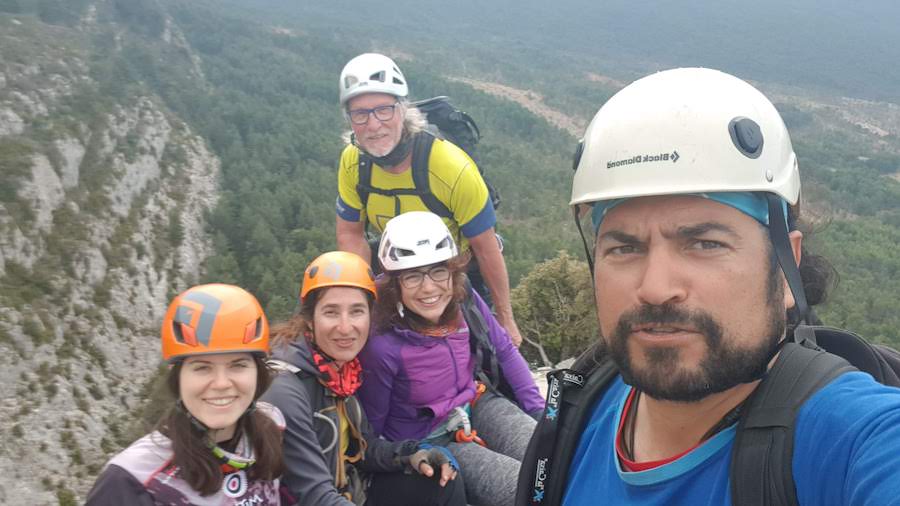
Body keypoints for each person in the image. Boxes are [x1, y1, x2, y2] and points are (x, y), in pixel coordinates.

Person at [514, 68, 900, 506]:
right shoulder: (582, 406)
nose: (656, 288)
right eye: (624, 248)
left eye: (704, 243)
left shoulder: (858, 439)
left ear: (785, 267)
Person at [334, 52, 524, 346]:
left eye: (384, 110)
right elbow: (351, 235)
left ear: (402, 109)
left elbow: (486, 248)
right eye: (360, 114)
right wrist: (361, 298)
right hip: (397, 269)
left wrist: (505, 319)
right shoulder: (353, 162)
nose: (373, 125)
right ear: (350, 119)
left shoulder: (449, 166)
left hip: (456, 271)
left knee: (485, 354)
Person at [357, 211, 544, 506]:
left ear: (452, 271)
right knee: (528, 490)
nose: (429, 287)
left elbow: (504, 350)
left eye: (438, 271)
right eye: (413, 276)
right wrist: (403, 460)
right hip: (433, 438)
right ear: (395, 283)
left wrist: (538, 411)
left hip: (474, 403)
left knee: (553, 451)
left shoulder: (462, 296)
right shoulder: (382, 345)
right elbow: (374, 426)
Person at [260, 251, 465, 506]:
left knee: (441, 483)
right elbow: (312, 494)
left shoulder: (341, 370)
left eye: (356, 311)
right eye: (331, 312)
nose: (345, 327)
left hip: (349, 490)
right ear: (309, 321)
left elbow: (364, 449)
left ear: (370, 316)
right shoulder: (286, 387)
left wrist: (413, 453)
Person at [86, 284, 285, 505]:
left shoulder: (272, 427)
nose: (221, 383)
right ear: (177, 377)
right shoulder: (130, 481)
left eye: (238, 365)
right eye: (202, 367)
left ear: (258, 372)